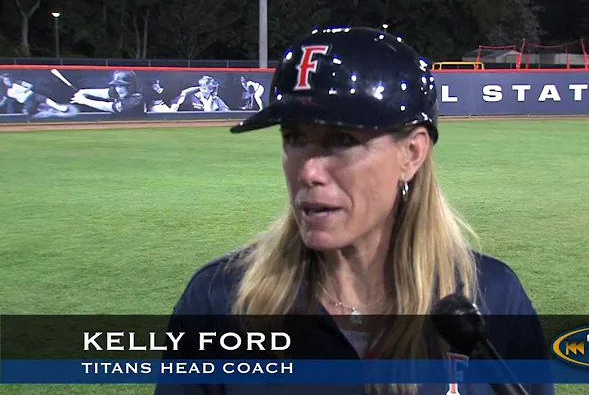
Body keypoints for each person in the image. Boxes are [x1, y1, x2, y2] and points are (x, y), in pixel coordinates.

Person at [155, 27, 554, 395]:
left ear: (411, 153)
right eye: (294, 139)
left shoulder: (492, 300)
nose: (308, 171)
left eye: (341, 139)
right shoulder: (220, 302)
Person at [70, 70, 146, 117]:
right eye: (117, 86)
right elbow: (104, 93)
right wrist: (84, 91)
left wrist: (84, 101)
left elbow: (106, 106)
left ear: (130, 86)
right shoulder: (121, 91)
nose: (118, 89)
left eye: (122, 86)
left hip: (134, 126)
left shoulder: (136, 99)